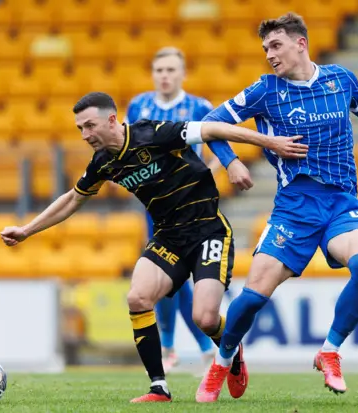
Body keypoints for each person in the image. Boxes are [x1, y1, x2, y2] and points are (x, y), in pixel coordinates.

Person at [195, 12, 358, 402]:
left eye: (275, 45)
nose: (269, 55)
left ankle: (330, 351)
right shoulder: (266, 90)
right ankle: (223, 359)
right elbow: (210, 123)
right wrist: (233, 161)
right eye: (265, 48)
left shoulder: (340, 79)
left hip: (340, 202)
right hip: (293, 208)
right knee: (252, 298)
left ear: (301, 43)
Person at [0, 92, 308, 403]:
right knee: (137, 297)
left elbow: (214, 129)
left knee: (205, 318)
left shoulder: (152, 133)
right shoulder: (103, 163)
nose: (85, 135)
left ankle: (232, 348)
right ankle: (159, 387)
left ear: (111, 120)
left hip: (207, 230)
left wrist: (262, 148)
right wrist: (27, 230)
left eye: (89, 126)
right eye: (80, 128)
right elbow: (73, 199)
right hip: (168, 237)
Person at [125, 47, 220, 373]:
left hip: (192, 206)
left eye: (170, 70)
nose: (164, 76)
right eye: (159, 70)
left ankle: (183, 347)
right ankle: (175, 346)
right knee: (162, 277)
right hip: (156, 207)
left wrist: (208, 176)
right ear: (153, 74)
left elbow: (220, 146)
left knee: (186, 278)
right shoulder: (139, 105)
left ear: (182, 73)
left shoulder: (199, 106)